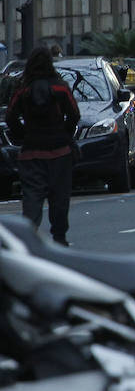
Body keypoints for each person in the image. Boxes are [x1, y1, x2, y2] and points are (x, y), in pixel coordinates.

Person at [7, 48, 80, 246]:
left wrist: (23, 135)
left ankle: (27, 240)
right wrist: (64, 133)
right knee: (60, 198)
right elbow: (75, 114)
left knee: (32, 199)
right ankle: (59, 238)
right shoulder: (61, 88)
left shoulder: (23, 90)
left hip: (31, 152)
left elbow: (10, 117)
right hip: (59, 152)